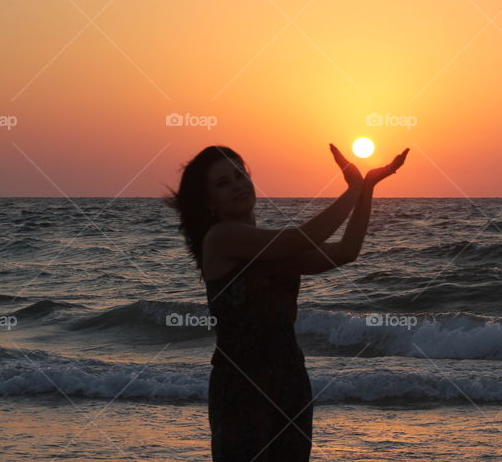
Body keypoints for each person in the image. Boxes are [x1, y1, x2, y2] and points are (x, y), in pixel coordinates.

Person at [165, 143, 409, 461]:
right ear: (209, 202)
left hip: (290, 380)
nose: (237, 185)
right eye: (223, 183)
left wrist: (368, 188)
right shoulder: (220, 238)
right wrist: (353, 189)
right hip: (242, 387)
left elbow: (347, 250)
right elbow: (304, 236)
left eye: (240, 175)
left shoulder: (270, 248)